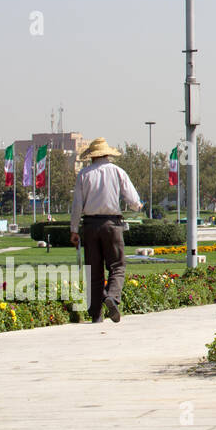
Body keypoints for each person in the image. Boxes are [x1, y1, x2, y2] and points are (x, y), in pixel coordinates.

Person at [69, 137, 142, 323]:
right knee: (117, 265)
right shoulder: (118, 172)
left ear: (92, 157)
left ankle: (96, 314)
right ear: (108, 154)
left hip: (90, 225)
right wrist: (137, 206)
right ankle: (112, 296)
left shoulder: (84, 174)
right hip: (112, 224)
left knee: (93, 270)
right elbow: (133, 200)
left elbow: (77, 204)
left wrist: (74, 230)